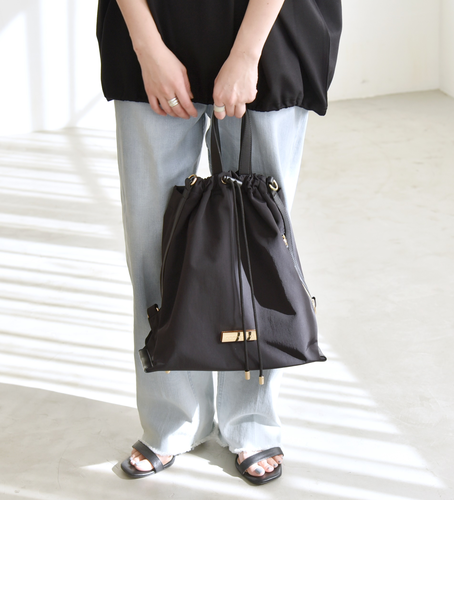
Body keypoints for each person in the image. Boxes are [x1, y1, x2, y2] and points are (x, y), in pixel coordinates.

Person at [97, 0, 342, 484]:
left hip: (269, 33)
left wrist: (248, 54)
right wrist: (148, 48)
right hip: (153, 24)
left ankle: (252, 421)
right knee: (153, 245)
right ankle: (171, 419)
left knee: (259, 245)